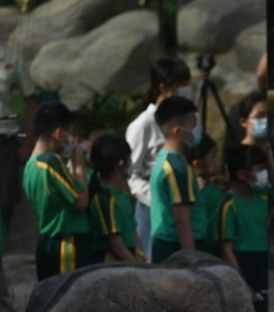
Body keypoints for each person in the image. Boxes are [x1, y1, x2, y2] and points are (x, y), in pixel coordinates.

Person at [126, 56, 192, 261]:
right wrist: (157, 198)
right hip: (152, 208)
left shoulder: (187, 119)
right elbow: (131, 174)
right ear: (164, 87)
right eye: (181, 85)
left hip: (181, 204)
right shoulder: (143, 125)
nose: (186, 89)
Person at [22, 101, 90, 280]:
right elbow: (81, 201)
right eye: (69, 134)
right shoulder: (50, 162)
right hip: (65, 247)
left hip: (46, 243)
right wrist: (79, 166)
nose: (70, 141)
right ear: (59, 134)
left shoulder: (30, 165)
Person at [219, 145, 274, 312]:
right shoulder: (230, 204)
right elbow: (226, 247)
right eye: (260, 169)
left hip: (263, 259)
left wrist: (271, 163)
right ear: (242, 174)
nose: (264, 174)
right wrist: (241, 281)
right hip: (243, 262)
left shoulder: (263, 196)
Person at [0, 9, 37, 244]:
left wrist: (28, 141)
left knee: (6, 193)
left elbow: (31, 99)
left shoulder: (11, 60)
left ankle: (3, 238)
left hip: (5, 137)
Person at [149, 96, 206, 264]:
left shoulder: (165, 160)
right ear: (178, 132)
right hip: (176, 248)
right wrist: (191, 260)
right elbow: (181, 219)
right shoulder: (177, 168)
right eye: (193, 125)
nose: (197, 131)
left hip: (169, 246)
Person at [87, 135, 141, 263]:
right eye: (129, 159)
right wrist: (137, 267)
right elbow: (116, 245)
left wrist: (141, 256)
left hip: (129, 262)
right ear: (121, 163)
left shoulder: (121, 196)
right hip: (112, 267)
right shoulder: (106, 200)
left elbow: (133, 232)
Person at [187, 134, 227, 258]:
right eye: (213, 156)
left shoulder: (218, 187)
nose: (218, 161)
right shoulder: (194, 192)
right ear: (197, 164)